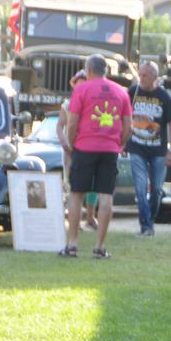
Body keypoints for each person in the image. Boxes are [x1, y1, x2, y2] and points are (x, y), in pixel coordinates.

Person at [62, 54, 132, 259]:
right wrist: (118, 143)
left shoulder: (81, 89)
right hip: (109, 149)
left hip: (84, 147)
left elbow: (72, 122)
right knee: (106, 197)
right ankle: (99, 247)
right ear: (106, 71)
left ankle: (72, 244)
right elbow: (129, 127)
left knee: (77, 195)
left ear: (89, 70)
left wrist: (72, 143)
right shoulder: (121, 91)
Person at [128, 61, 171, 237]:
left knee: (156, 189)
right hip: (137, 148)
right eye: (140, 75)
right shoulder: (133, 92)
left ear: (154, 77)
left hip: (158, 150)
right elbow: (122, 114)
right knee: (140, 188)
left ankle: (150, 219)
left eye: (145, 76)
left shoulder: (163, 96)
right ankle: (146, 226)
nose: (141, 79)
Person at [58, 71, 98, 231]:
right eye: (78, 84)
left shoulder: (94, 103)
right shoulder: (68, 104)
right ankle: (74, 220)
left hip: (90, 148)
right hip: (71, 150)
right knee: (72, 184)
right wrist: (64, 142)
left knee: (93, 184)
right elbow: (60, 126)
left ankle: (90, 217)